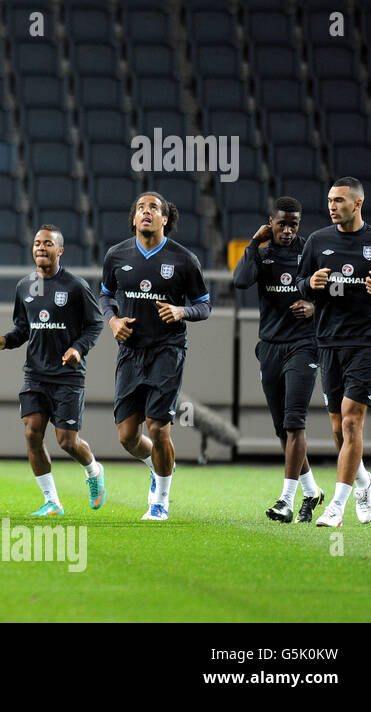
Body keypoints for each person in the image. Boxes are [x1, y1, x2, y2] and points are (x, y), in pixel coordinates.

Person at [99, 192, 211, 521]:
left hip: (167, 349)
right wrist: (113, 320)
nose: (146, 212)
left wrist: (182, 311)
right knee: (127, 436)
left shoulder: (184, 260)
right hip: (131, 352)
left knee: (159, 427)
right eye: (141, 208)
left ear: (165, 219)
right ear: (134, 218)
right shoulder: (116, 255)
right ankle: (157, 467)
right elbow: (105, 296)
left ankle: (160, 501)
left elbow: (205, 305)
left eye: (154, 208)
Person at [0, 226, 104, 516]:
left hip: (67, 376)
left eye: (48, 244)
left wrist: (78, 348)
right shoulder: (24, 286)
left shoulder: (75, 286)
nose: (41, 248)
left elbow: (96, 324)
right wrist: (6, 341)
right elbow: (23, 328)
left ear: (59, 250)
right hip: (35, 375)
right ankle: (52, 501)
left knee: (66, 441)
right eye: (37, 243)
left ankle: (93, 471)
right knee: (32, 433)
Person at [231, 197, 325, 522]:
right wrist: (254, 243)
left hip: (304, 344)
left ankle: (286, 501)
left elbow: (332, 292)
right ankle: (312, 491)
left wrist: (315, 307)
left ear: (299, 225)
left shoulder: (310, 250)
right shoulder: (262, 251)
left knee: (294, 422)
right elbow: (240, 280)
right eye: (281, 224)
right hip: (270, 346)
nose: (287, 230)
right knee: (282, 431)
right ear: (270, 222)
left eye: (293, 224)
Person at [297, 177, 371, 527]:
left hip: (368, 342)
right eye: (330, 200)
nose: (332, 206)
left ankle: (337, 506)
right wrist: (310, 285)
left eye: (339, 200)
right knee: (337, 428)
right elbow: (299, 287)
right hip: (329, 341)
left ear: (357, 204)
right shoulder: (318, 241)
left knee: (350, 419)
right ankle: (363, 479)